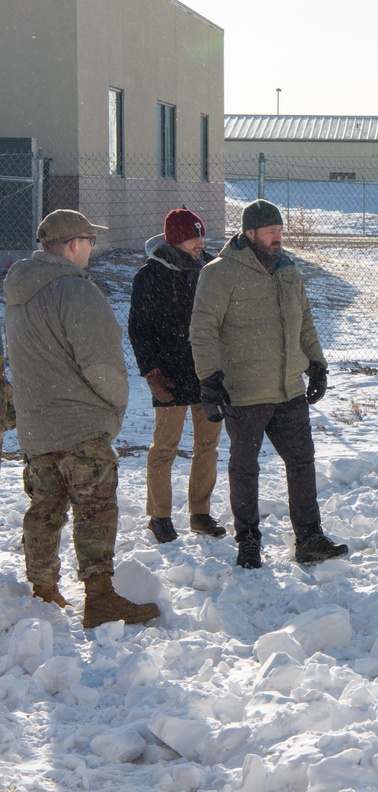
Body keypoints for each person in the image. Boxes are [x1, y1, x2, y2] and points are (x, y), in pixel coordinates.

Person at [3, 209, 161, 627]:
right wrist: (115, 408)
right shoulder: (75, 292)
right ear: (74, 244)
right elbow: (102, 365)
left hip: (37, 426)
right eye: (90, 240)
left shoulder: (20, 292)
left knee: (44, 507)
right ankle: (100, 597)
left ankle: (42, 592)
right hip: (79, 424)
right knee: (94, 509)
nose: (93, 247)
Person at [189, 199, 348, 569]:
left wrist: (317, 365)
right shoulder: (220, 273)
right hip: (244, 391)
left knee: (302, 462)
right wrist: (209, 382)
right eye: (271, 232)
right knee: (245, 468)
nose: (279, 238)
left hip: (287, 388)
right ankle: (248, 541)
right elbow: (202, 331)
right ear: (250, 234)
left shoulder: (288, 269)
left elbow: (304, 320)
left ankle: (309, 537)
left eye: (280, 231)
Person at [128, 209, 226, 544]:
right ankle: (160, 516)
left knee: (208, 446)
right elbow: (139, 329)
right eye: (193, 236)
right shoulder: (150, 275)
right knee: (165, 447)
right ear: (175, 238)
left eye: (202, 235)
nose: (201, 242)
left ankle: (200, 513)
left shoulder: (211, 270)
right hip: (169, 375)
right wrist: (151, 372)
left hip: (208, 373)